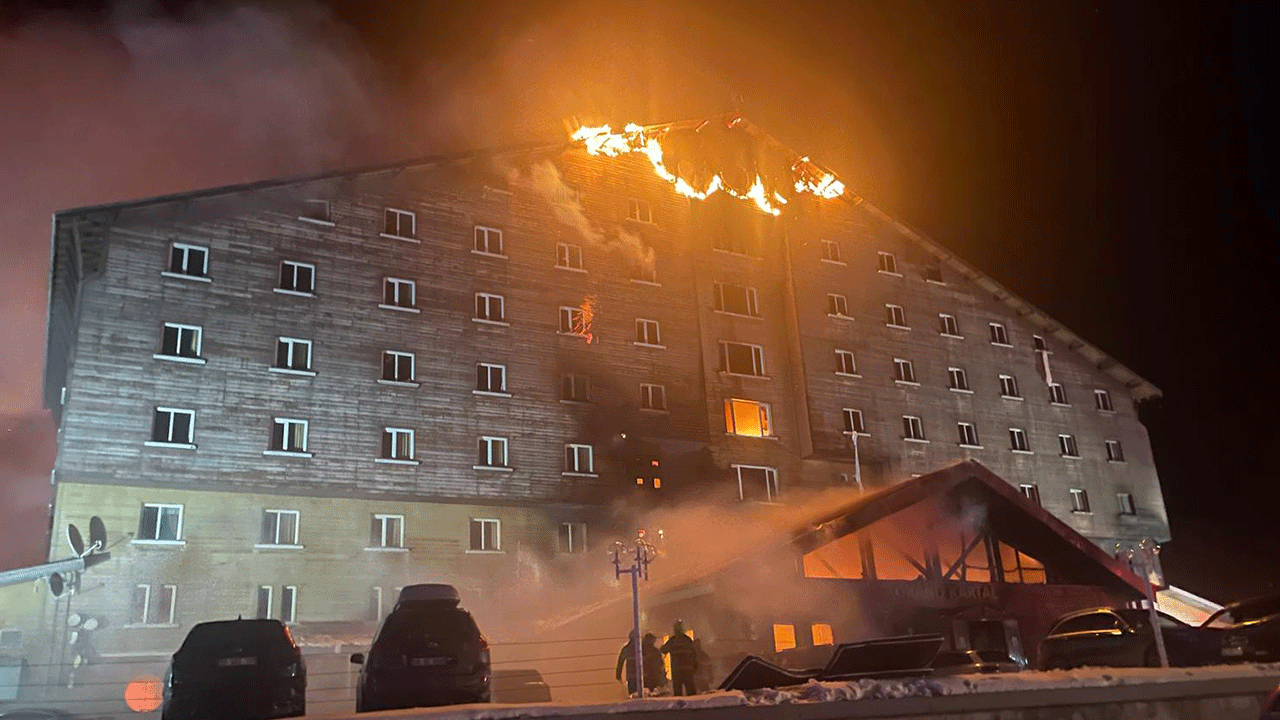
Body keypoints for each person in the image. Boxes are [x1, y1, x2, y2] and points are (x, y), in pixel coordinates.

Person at [660, 620, 699, 696]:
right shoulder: (688, 640)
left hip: (676, 669)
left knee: (677, 691)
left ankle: (679, 706)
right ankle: (693, 705)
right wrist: (695, 666)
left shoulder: (672, 640)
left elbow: (663, 650)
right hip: (688, 669)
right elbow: (694, 654)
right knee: (691, 690)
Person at [615, 630, 642, 697]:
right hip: (642, 676)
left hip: (631, 676)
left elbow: (620, 661)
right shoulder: (641, 648)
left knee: (633, 695)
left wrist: (618, 675)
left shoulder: (626, 648)